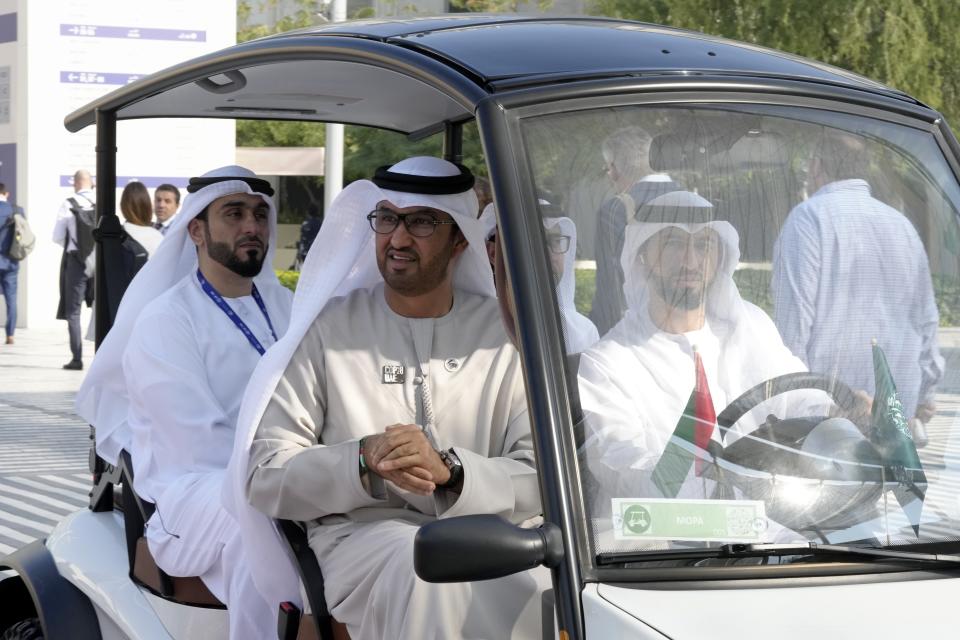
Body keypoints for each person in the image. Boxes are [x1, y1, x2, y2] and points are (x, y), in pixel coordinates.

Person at [228, 157, 547, 639]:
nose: (397, 238)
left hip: (491, 534)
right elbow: (264, 473)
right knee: (426, 567)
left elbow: (543, 475)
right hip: (362, 538)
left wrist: (453, 473)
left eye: (420, 222)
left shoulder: (503, 338)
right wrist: (362, 460)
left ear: (459, 237)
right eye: (386, 219)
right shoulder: (329, 331)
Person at [75, 166, 293, 639]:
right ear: (196, 229)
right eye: (233, 214)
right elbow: (199, 445)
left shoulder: (288, 306)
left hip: (284, 470)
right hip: (193, 491)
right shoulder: (165, 320)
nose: (251, 226)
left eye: (259, 214)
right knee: (259, 522)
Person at [579, 191, 839, 507]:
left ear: (719, 258)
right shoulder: (607, 364)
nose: (691, 261)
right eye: (674, 243)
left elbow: (804, 400)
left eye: (704, 245)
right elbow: (627, 473)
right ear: (643, 255)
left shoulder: (751, 326)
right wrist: (715, 472)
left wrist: (836, 416)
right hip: (662, 545)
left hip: (768, 530)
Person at [772, 133, 943, 447]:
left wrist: (788, 406)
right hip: (895, 426)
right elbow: (926, 323)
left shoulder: (807, 220)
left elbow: (792, 330)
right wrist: (923, 396)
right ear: (864, 170)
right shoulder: (903, 226)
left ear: (815, 166)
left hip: (827, 424)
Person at [590, 126, 678, 336]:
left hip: (635, 334)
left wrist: (600, 337)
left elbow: (610, 287)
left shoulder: (615, 210)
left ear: (614, 169)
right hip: (689, 327)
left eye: (608, 168)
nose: (609, 175)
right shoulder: (693, 201)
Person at [53, 169, 95, 370]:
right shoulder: (100, 202)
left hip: (76, 263)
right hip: (98, 262)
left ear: (76, 184)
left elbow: (58, 236)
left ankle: (77, 358)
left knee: (74, 312)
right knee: (102, 307)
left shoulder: (68, 204)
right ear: (91, 183)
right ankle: (101, 355)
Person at [120, 181, 164, 255]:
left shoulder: (112, 235)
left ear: (123, 206)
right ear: (148, 206)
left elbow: (94, 264)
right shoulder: (157, 237)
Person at [0, 184, 20, 344]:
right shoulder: (17, 210)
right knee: (11, 299)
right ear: (6, 193)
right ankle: (10, 334)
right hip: (11, 262)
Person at [292, 202, 322, 269]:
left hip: (305, 252)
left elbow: (303, 239)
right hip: (317, 252)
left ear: (308, 212)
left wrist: (299, 252)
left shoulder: (305, 223)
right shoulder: (320, 224)